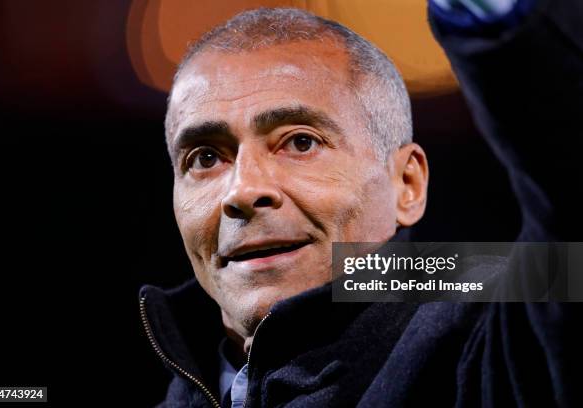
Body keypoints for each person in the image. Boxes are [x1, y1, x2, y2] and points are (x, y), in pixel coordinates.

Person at [140, 0, 582, 406]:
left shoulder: (486, 341)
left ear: (407, 184)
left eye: (300, 142)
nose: (242, 190)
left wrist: (500, 22)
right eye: (206, 157)